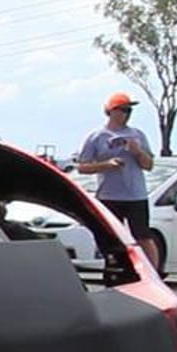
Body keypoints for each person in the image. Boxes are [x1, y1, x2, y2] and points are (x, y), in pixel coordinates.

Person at [75, 91, 160, 268]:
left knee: (143, 236)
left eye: (129, 110)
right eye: (123, 110)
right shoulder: (97, 137)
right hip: (109, 196)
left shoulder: (137, 135)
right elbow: (82, 167)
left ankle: (154, 272)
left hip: (135, 196)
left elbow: (149, 165)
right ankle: (116, 269)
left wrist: (137, 152)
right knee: (112, 237)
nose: (127, 114)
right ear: (111, 111)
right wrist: (107, 165)